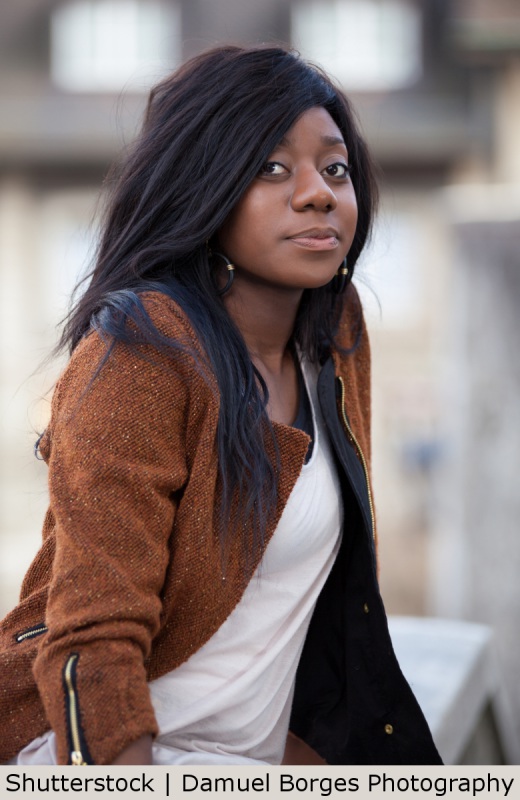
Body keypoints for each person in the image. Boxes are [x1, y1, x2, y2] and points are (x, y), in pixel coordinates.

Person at [0, 45, 442, 767]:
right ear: (203, 186)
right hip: (109, 755)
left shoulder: (335, 330)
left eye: (335, 169)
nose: (317, 193)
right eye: (271, 168)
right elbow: (94, 637)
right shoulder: (142, 353)